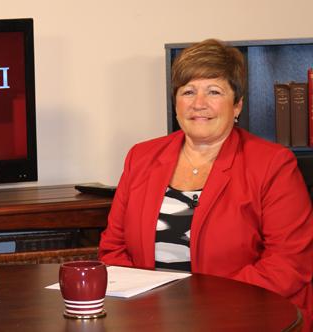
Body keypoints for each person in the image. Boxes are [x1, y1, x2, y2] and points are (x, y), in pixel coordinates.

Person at [98, 39, 313, 327]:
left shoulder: (273, 164)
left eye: (214, 91)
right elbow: (113, 249)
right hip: (152, 318)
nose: (199, 104)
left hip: (247, 317)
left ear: (237, 105)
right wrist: (149, 308)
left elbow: (288, 264)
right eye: (188, 91)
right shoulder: (141, 157)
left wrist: (202, 307)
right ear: (176, 102)